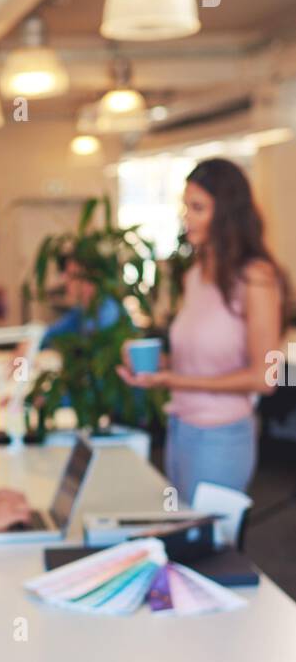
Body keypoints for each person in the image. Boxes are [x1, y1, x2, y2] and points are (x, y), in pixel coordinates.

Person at [118, 158, 286, 505]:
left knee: (209, 550)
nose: (186, 217)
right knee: (183, 537)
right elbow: (194, 361)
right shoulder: (196, 275)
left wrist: (172, 381)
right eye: (186, 207)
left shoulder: (257, 278)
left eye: (198, 208)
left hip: (222, 437)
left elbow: (265, 378)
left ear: (226, 214)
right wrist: (155, 366)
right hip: (181, 428)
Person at [39, 255, 122, 349]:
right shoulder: (80, 312)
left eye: (72, 275)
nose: (65, 279)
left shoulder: (109, 312)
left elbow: (95, 353)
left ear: (91, 279)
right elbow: (48, 335)